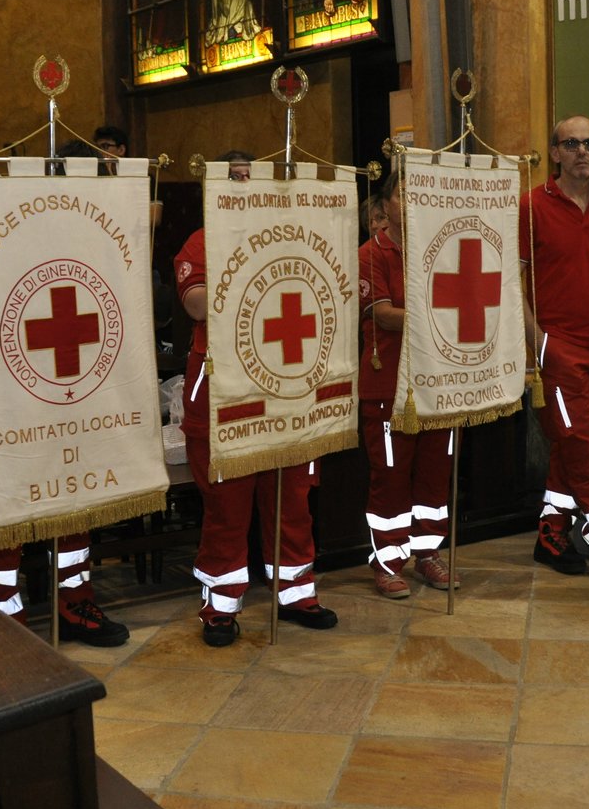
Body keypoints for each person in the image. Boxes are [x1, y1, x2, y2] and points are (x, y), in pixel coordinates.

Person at [173, 153, 337, 646]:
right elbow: (196, 303)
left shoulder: (289, 238)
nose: (244, 187)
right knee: (227, 504)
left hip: (285, 384)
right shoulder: (201, 241)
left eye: (250, 178)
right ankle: (220, 606)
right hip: (222, 390)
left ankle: (296, 590)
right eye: (234, 179)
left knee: (291, 496)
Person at [520, 115, 589, 586]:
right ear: (555, 152)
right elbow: (511, 281)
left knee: (579, 439)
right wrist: (536, 341)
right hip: (557, 345)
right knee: (582, 440)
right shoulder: (531, 206)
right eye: (571, 143)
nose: (581, 151)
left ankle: (551, 530)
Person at [358, 166, 458, 598]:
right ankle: (387, 561)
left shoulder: (440, 248)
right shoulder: (372, 253)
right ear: (386, 205)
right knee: (392, 477)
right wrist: (437, 318)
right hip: (388, 384)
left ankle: (429, 553)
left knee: (435, 477)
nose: (413, 200)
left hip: (437, 380)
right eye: (404, 193)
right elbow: (381, 313)